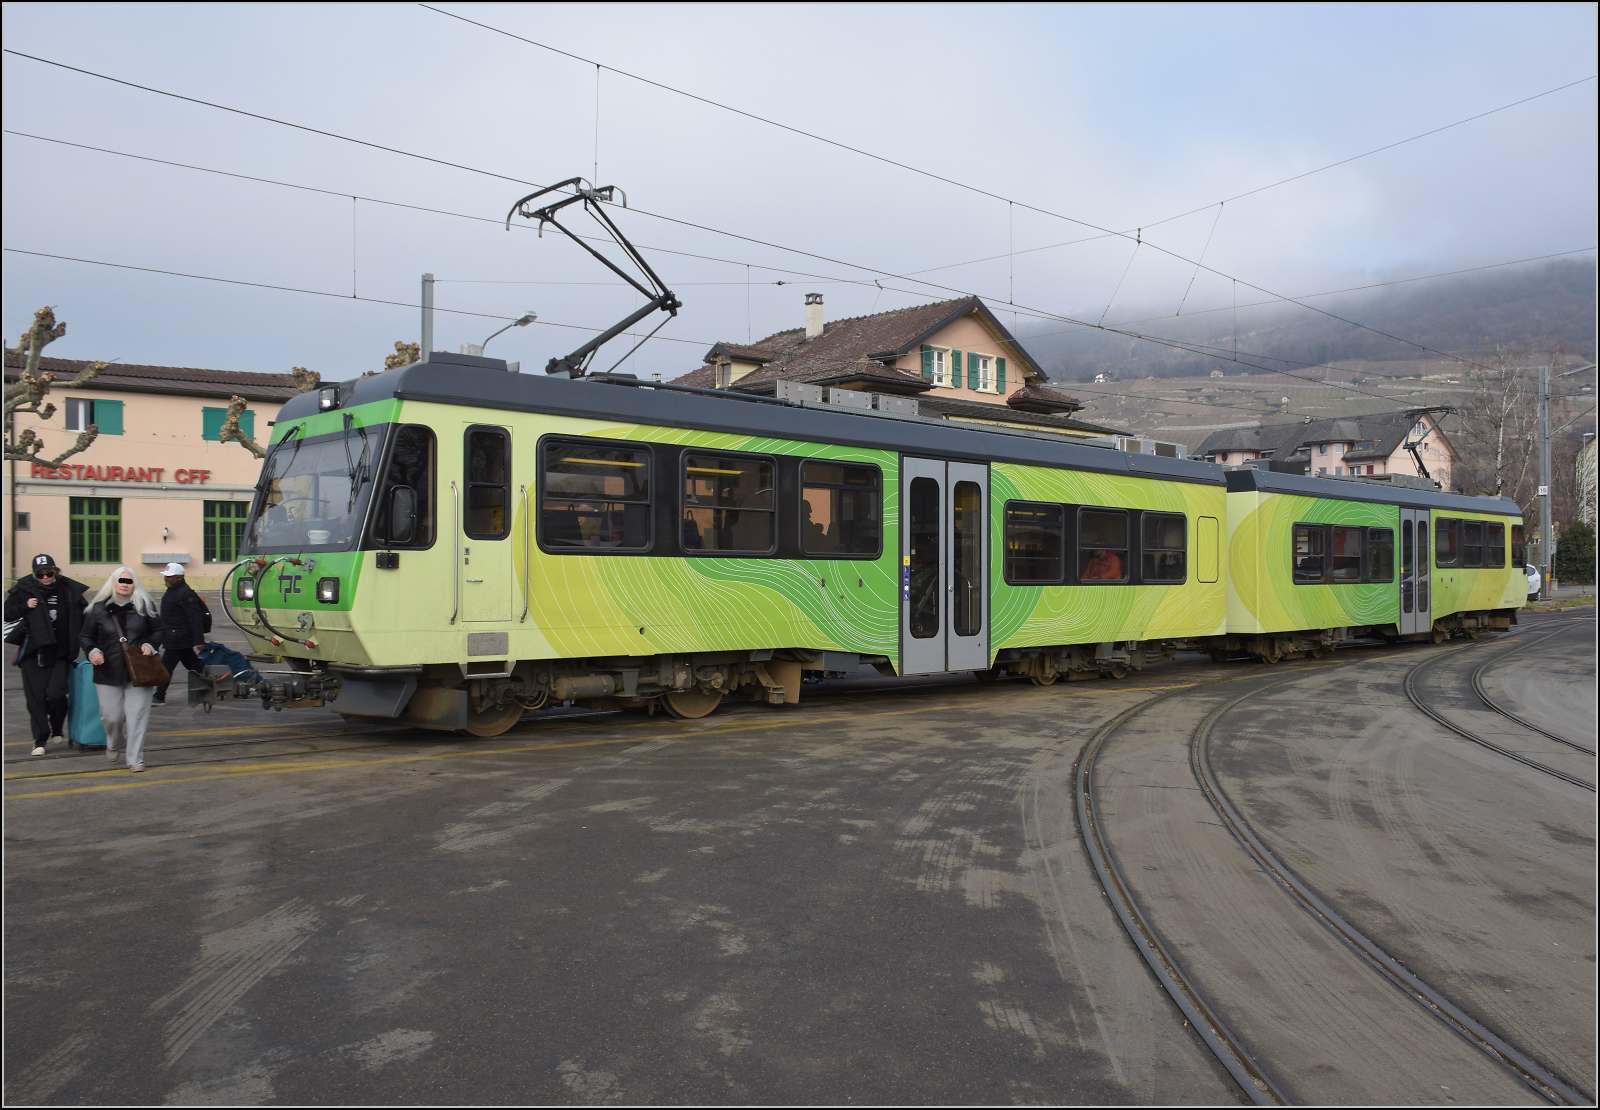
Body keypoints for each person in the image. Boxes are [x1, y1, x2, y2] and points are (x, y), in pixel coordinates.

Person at [80, 567, 164, 772]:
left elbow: (158, 630)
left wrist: (151, 645)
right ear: (113, 583)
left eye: (129, 580)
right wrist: (92, 651)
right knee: (111, 716)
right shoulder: (98, 609)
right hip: (107, 670)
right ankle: (113, 740)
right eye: (121, 580)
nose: (125, 584)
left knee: (137, 715)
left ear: (135, 583)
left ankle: (135, 759)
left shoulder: (144, 606)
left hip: (140, 670)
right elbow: (85, 636)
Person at [3, 554, 88, 756]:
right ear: (34, 575)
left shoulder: (68, 590)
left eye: (49, 573)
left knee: (58, 694)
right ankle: (40, 740)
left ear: (56, 572)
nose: (45, 578)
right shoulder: (23, 591)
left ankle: (57, 727)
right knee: (36, 698)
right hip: (33, 651)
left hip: (60, 651)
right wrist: (25, 606)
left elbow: (85, 615)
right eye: (40, 575)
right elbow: (6, 613)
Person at [151, 563, 208, 708]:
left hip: (179, 639)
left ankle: (159, 696)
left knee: (166, 667)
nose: (166, 579)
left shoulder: (185, 593)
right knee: (195, 666)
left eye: (170, 577)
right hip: (174, 637)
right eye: (166, 576)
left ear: (179, 578)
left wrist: (199, 640)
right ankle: (212, 686)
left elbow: (195, 618)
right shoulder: (173, 590)